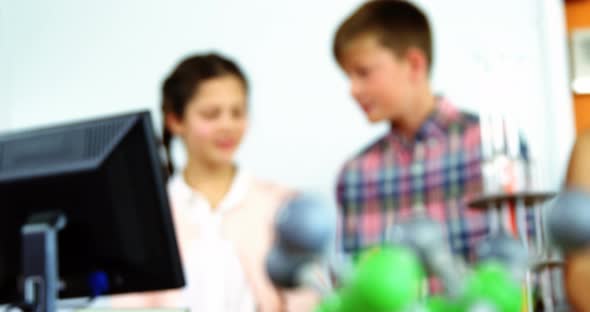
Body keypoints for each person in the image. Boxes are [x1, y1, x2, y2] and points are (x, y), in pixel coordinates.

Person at [111, 53, 315, 311]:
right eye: (211, 114)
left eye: (237, 112)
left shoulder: (283, 204)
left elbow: (307, 295)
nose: (227, 125)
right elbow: (126, 305)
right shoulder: (146, 215)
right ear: (175, 120)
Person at [333, 0, 487, 264]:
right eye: (348, 76)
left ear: (414, 64)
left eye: (363, 72)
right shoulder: (355, 174)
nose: (352, 90)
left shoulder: (486, 146)